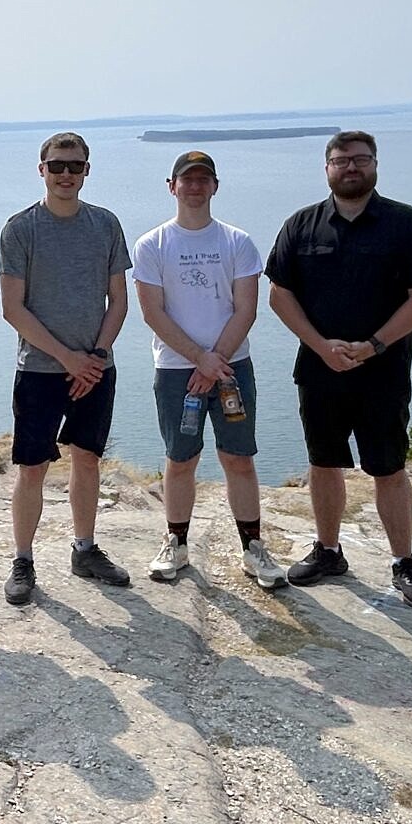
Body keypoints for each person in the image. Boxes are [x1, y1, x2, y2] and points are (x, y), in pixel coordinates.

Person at [264, 130, 412, 607]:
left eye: (361, 159)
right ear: (327, 167)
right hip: (319, 368)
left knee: (389, 467)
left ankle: (403, 562)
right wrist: (320, 346)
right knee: (324, 462)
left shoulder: (406, 223)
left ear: (375, 164)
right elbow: (280, 294)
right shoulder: (301, 225)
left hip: (383, 372)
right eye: (342, 160)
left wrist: (373, 346)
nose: (351, 167)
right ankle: (328, 551)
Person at [131, 151, 288, 588]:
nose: (195, 187)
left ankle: (253, 549)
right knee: (181, 459)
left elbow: (246, 309)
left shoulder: (237, 242)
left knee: (238, 458)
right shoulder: (152, 244)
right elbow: (153, 313)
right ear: (172, 186)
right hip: (176, 370)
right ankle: (176, 544)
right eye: (187, 179)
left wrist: (213, 360)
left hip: (232, 367)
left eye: (204, 179)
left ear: (215, 186)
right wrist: (199, 359)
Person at [0, 132, 133, 604]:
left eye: (75, 166)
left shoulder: (106, 225)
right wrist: (68, 358)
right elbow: (12, 309)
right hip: (39, 369)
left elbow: (119, 301)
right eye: (57, 166)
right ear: (42, 170)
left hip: (95, 367)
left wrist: (94, 357)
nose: (65, 175)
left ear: (87, 171)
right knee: (32, 467)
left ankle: (85, 548)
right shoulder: (21, 229)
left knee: (87, 458)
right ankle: (23, 560)